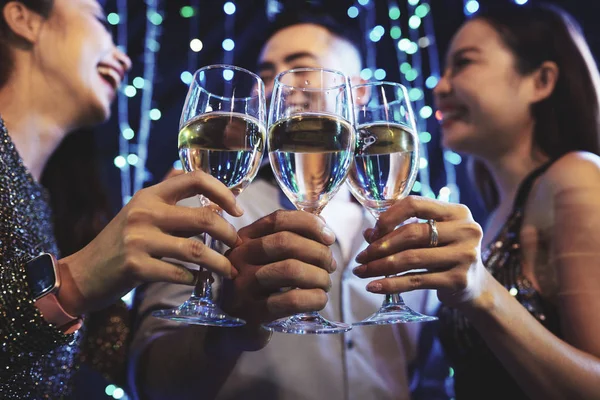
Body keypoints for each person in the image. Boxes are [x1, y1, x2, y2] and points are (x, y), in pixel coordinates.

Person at [129, 11, 439, 400]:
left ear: (358, 92)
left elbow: (434, 377)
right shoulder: (205, 205)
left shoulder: (412, 232)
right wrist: (231, 327)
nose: (282, 84)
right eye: (269, 73)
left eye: (302, 68)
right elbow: (150, 381)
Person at [353, 3, 600, 399]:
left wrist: (482, 292)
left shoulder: (577, 176)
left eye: (464, 63)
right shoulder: (497, 209)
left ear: (541, 81)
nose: (440, 85)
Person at [0, 0, 245, 398]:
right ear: (22, 18)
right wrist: (73, 282)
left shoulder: (57, 209)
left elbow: (138, 373)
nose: (124, 58)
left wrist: (236, 311)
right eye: (100, 21)